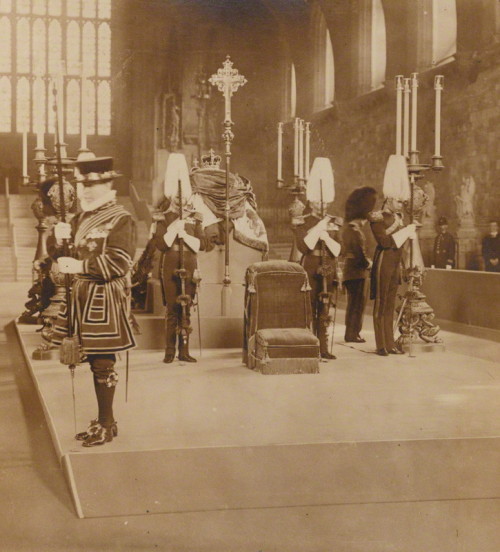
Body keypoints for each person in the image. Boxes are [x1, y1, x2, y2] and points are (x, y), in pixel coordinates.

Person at [52, 157, 137, 447]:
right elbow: (63, 260)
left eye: (94, 184)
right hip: (81, 298)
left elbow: (119, 262)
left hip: (104, 299)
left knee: (103, 364)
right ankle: (103, 421)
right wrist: (58, 241)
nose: (86, 190)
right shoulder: (80, 218)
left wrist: (78, 267)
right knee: (91, 362)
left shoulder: (120, 218)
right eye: (83, 185)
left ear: (108, 184)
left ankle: (107, 423)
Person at [152, 153, 209, 364]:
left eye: (183, 196)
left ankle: (184, 351)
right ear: (171, 197)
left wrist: (187, 235)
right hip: (170, 263)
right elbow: (160, 245)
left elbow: (203, 244)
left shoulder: (195, 217)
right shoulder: (163, 217)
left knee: (187, 307)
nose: (180, 200)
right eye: (177, 196)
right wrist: (173, 229)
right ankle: (169, 352)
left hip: (190, 263)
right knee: (172, 310)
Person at [369, 155, 416, 356]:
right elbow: (385, 242)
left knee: (390, 304)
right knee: (381, 304)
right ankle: (381, 344)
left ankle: (390, 343)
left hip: (395, 263)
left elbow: (401, 247)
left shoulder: (399, 217)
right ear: (388, 198)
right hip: (383, 262)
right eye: (398, 201)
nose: (400, 204)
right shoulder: (377, 216)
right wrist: (404, 229)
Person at [295, 202, 342, 360]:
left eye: (324, 201)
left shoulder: (333, 221)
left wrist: (326, 237)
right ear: (311, 202)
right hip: (310, 266)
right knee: (309, 307)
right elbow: (304, 247)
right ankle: (308, 345)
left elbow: (338, 249)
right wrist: (319, 226)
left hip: (327, 267)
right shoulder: (304, 221)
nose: (321, 204)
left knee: (324, 309)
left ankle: (323, 348)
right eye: (316, 201)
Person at [341, 186, 378, 343]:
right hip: (358, 273)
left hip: (350, 272)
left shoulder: (348, 229)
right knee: (357, 306)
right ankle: (353, 333)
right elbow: (359, 255)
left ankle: (351, 332)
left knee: (352, 305)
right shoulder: (356, 231)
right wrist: (368, 263)